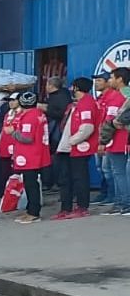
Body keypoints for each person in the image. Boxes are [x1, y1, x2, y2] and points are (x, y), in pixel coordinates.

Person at [53, 77, 99, 219]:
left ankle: (82, 207)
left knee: (80, 178)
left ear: (76, 88)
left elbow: (87, 127)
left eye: (72, 87)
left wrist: (72, 141)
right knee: (65, 178)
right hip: (67, 148)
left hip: (78, 148)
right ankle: (65, 208)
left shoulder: (87, 103)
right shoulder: (76, 104)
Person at [9, 91, 52, 224]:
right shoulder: (39, 114)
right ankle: (30, 210)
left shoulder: (30, 116)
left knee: (30, 184)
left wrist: (13, 133)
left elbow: (27, 138)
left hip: (30, 155)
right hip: (36, 153)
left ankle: (34, 213)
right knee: (31, 183)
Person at [100, 67, 130, 215]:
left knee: (119, 172)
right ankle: (120, 203)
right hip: (119, 139)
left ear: (119, 79)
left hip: (118, 139)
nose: (109, 81)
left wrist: (103, 140)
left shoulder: (119, 97)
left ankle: (123, 204)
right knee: (118, 172)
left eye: (111, 78)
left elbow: (112, 122)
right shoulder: (123, 94)